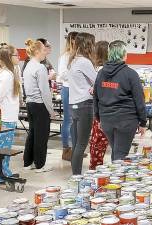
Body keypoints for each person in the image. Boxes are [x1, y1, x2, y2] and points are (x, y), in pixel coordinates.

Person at [94, 40, 146, 161]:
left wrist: (98, 118)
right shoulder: (130, 74)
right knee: (121, 154)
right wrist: (143, 122)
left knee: (117, 151)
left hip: (106, 120)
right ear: (123, 54)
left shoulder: (101, 73)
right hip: (126, 120)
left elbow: (96, 97)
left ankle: (112, 176)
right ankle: (114, 178)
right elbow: (140, 100)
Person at [0, 45, 21, 184]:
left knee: (3, 146)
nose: (19, 57)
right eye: (16, 55)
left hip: (7, 115)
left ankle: (2, 172)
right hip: (6, 116)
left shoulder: (6, 72)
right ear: (9, 57)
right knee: (2, 147)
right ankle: (0, 174)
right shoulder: (7, 75)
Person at [23, 39, 55, 172]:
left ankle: (27, 162)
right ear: (37, 51)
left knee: (32, 134)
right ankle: (40, 165)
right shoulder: (40, 67)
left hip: (30, 104)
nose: (45, 53)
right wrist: (51, 110)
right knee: (41, 136)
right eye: (43, 50)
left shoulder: (28, 66)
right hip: (40, 105)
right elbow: (45, 91)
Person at [68, 32, 97, 175]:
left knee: (76, 144)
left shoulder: (73, 60)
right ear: (88, 45)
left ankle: (75, 175)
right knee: (81, 144)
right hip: (85, 105)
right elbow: (97, 80)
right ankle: (77, 177)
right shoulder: (85, 62)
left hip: (73, 105)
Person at [57, 32, 78, 161]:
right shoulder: (65, 56)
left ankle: (75, 148)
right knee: (68, 120)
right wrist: (76, 75)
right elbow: (63, 74)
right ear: (72, 41)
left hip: (77, 90)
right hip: (68, 89)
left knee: (76, 120)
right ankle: (66, 149)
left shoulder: (78, 56)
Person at [89, 41, 109, 170]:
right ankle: (95, 166)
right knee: (99, 140)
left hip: (97, 108)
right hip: (102, 109)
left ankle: (95, 164)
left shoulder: (96, 68)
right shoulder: (103, 70)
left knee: (96, 139)